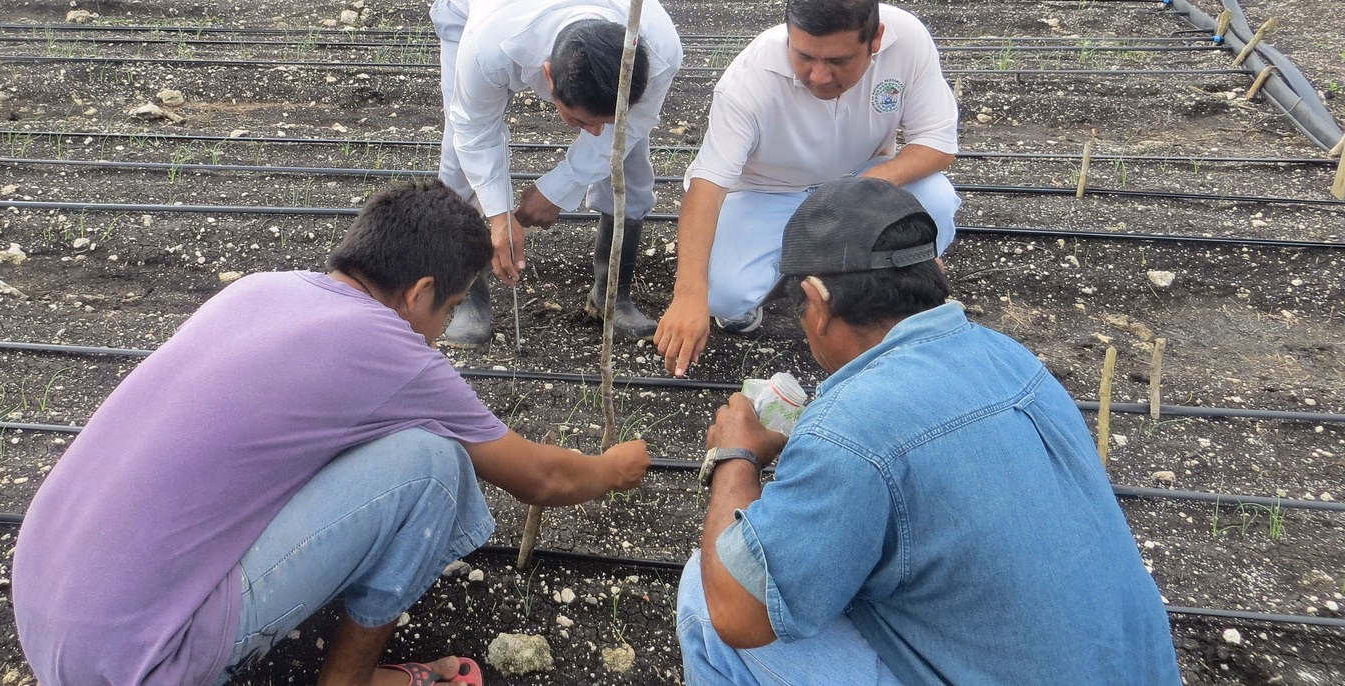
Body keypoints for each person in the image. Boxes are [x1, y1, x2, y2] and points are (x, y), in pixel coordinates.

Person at [11, 180, 651, 686]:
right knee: (434, 464)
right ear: (419, 292)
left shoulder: (264, 290)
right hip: (139, 663)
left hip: (45, 604)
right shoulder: (390, 349)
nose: (443, 326)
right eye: (451, 308)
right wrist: (617, 468)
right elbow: (541, 477)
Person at [678, 177, 1180, 685]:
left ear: (819, 300)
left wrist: (736, 456)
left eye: (801, 307)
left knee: (707, 594)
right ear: (933, 271)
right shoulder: (1009, 357)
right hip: (1135, 669)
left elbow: (737, 613)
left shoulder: (852, 430)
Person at [655, 0, 962, 378]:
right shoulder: (749, 81)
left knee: (935, 198)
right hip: (768, 190)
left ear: (876, 40)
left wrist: (859, 191)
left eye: (838, 61)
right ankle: (783, 286)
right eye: (804, 57)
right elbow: (708, 185)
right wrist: (687, 296)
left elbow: (937, 141)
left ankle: (894, 295)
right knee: (723, 296)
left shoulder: (908, 39)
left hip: (859, 174)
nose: (818, 75)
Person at [430, 0, 684, 345]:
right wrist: (499, 215)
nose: (594, 132)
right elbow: (474, 130)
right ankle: (467, 296)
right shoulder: (487, 45)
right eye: (580, 120)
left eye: (605, 122)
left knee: (630, 162)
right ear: (547, 74)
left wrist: (558, 187)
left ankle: (612, 295)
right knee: (457, 159)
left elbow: (631, 128)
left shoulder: (660, 47)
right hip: (473, 14)